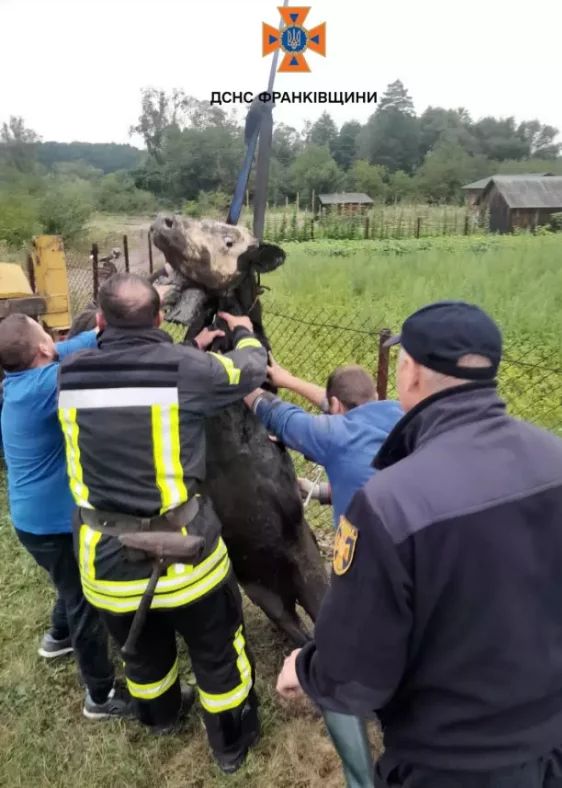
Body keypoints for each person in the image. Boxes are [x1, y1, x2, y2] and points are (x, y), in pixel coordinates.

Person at [276, 300, 562, 788]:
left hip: (458, 764)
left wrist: (304, 667)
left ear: (409, 373)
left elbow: (355, 673)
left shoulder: (388, 503)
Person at [56, 272, 267, 774]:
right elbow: (251, 369)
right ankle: (231, 744)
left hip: (104, 561)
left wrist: (186, 353)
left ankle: (159, 716)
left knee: (143, 649)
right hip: (187, 557)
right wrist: (242, 332)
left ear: (101, 320)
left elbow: (133, 381)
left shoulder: (70, 373)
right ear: (157, 319)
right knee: (218, 651)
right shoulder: (187, 370)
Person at [0, 313, 132, 720]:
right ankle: (100, 695)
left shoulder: (19, 383)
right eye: (44, 330)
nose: (52, 335)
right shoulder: (47, 386)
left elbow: (67, 349)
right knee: (84, 601)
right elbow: (83, 363)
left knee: (66, 578)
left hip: (32, 519)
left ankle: (57, 638)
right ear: (42, 348)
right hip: (52, 524)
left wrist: (98, 331)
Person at [244, 359, 403, 530]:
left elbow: (278, 415)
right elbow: (369, 481)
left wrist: (235, 379)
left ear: (335, 405)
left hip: (372, 551)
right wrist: (319, 491)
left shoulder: (336, 436)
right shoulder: (400, 414)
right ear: (376, 396)